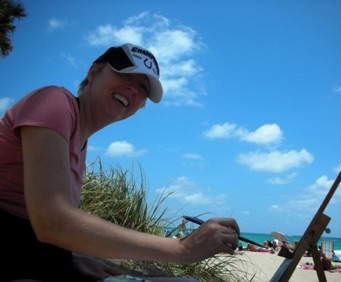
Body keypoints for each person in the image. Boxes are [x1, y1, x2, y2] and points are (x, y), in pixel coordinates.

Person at [0, 43, 240, 282]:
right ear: (92, 72)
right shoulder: (54, 101)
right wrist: (181, 249)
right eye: (125, 74)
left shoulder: (77, 141)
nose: (133, 88)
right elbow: (51, 220)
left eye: (143, 87)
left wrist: (72, 255)